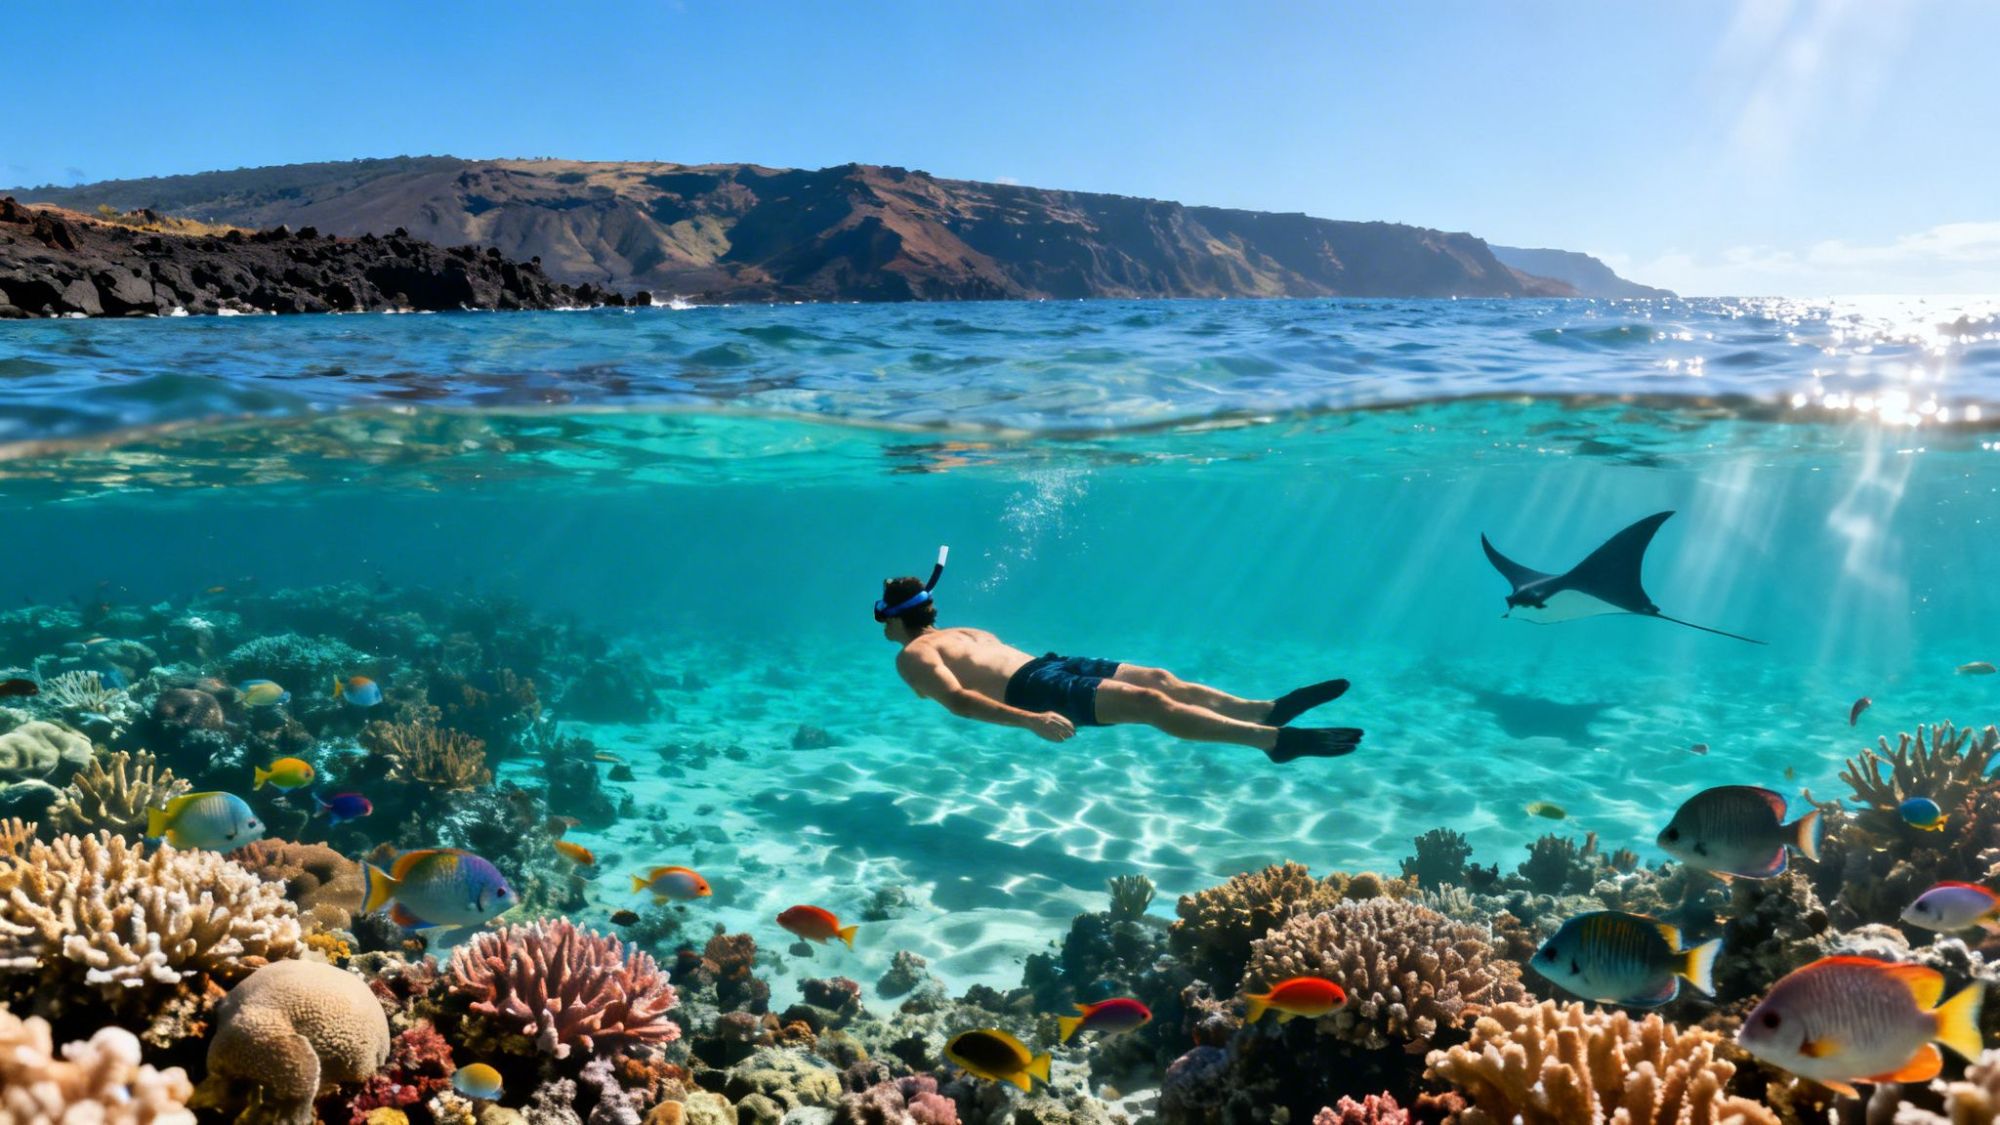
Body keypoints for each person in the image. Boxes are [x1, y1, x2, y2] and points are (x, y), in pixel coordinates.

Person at [875, 557, 1361, 763]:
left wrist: (1032, 714)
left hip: (1047, 672)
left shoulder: (938, 642)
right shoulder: (918, 656)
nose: (882, 627)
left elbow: (965, 696)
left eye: (882, 617)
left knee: (1157, 678)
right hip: (1037, 691)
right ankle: (1273, 741)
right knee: (1150, 701)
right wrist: (1032, 721)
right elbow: (960, 700)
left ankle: (1262, 710)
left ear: (895, 618)